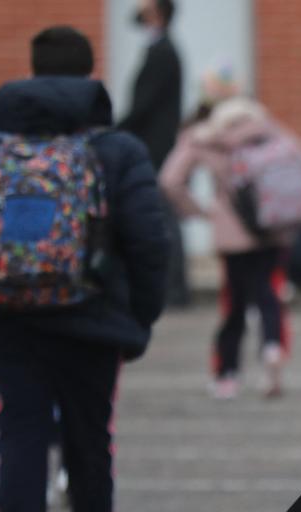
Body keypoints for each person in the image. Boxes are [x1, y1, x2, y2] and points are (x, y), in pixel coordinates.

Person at [0, 26, 169, 512]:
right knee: (90, 439)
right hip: (93, 315)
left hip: (9, 315)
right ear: (90, 73)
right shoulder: (117, 151)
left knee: (19, 431)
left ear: (33, 69)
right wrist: (139, 318)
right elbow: (149, 241)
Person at [160, 97, 301, 399]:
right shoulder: (266, 127)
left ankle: (227, 374)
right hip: (272, 226)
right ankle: (272, 347)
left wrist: (201, 212)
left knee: (235, 304)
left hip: (232, 232)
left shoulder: (204, 138)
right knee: (268, 291)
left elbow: (170, 180)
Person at [120, 0, 187, 306]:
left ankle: (173, 289)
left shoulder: (162, 52)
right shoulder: (160, 49)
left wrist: (116, 128)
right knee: (164, 215)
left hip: (155, 147)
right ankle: (173, 288)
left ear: (157, 14)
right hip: (156, 145)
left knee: (163, 216)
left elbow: (143, 105)